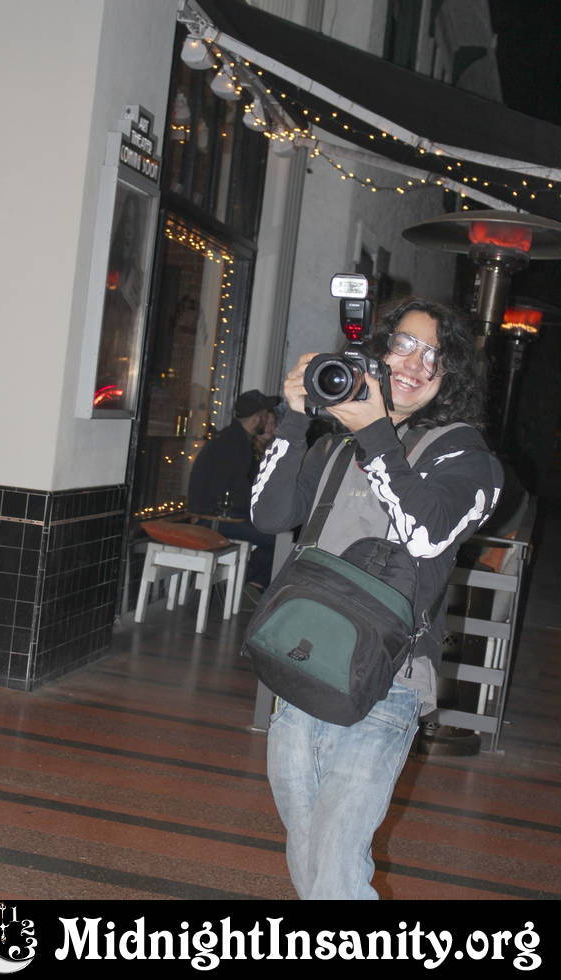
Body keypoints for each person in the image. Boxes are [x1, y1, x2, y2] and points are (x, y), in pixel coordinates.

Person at [250, 297, 504, 900]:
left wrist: (375, 434)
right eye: (404, 345)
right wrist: (294, 419)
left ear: (448, 378)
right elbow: (269, 515)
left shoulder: (467, 458)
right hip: (303, 660)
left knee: (336, 859)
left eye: (435, 356)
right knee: (311, 851)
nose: (417, 364)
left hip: (388, 679)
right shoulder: (335, 448)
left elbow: (425, 534)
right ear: (375, 354)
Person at [188, 389, 280, 590]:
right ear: (257, 417)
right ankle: (248, 585)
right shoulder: (234, 443)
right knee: (278, 539)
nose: (269, 421)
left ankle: (248, 583)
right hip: (213, 519)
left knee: (277, 534)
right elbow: (234, 491)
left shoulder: (234, 439)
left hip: (219, 515)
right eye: (266, 415)